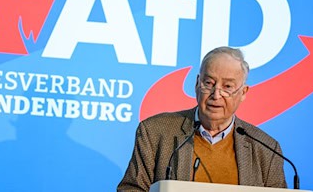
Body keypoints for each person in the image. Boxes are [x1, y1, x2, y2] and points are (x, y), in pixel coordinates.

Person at [117, 46, 287, 191]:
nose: (216, 94)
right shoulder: (156, 132)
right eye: (209, 83)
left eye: (227, 87)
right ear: (197, 84)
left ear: (243, 93)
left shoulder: (266, 149)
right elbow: (131, 189)